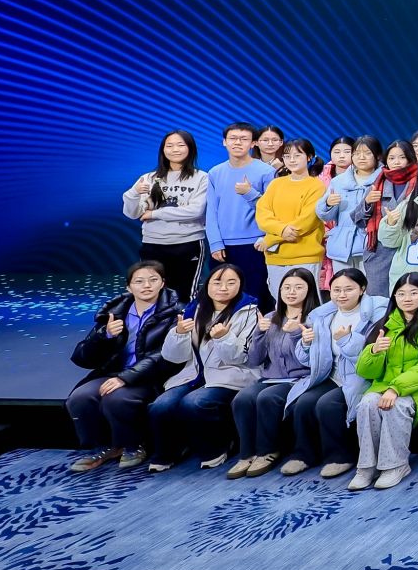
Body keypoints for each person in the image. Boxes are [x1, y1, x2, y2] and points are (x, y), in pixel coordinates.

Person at [66, 261, 189, 472]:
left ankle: (133, 445)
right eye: (139, 281)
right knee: (80, 397)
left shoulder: (177, 311)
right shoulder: (115, 312)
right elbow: (82, 358)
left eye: (153, 280)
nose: (146, 286)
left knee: (117, 398)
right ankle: (105, 447)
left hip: (152, 376)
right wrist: (104, 336)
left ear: (162, 283)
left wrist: (126, 378)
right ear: (129, 287)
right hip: (114, 373)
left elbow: (165, 356)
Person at [151, 260, 263, 472]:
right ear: (207, 284)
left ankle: (216, 448)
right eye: (217, 282)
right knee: (161, 406)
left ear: (240, 285)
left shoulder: (249, 312)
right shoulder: (194, 309)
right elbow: (174, 357)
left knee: (195, 402)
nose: (223, 288)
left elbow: (241, 357)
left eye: (231, 283)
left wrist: (224, 338)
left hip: (232, 375)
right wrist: (179, 334)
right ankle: (169, 452)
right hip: (194, 374)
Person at [350, 271, 418, 491]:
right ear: (394, 296)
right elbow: (365, 371)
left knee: (396, 406)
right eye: (401, 293)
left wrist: (396, 388)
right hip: (387, 385)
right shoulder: (387, 323)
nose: (407, 298)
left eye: (414, 293)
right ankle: (366, 467)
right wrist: (374, 351)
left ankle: (395, 465)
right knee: (367, 403)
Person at [286, 267, 386, 479]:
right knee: (303, 402)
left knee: (327, 404)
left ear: (362, 289)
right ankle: (304, 455)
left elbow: (367, 358)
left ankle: (340, 457)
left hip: (360, 375)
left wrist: (346, 339)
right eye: (336, 290)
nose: (342, 295)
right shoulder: (323, 316)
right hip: (331, 374)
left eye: (348, 289)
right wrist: (306, 344)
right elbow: (307, 360)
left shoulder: (376, 315)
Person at [227, 266, 315, 478]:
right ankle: (247, 454)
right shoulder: (270, 317)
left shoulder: (314, 319)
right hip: (269, 377)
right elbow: (254, 360)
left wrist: (295, 334)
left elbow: (310, 361)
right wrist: (259, 332)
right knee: (242, 399)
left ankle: (267, 451)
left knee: (267, 398)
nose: (291, 292)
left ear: (309, 290)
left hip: (299, 378)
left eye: (298, 287)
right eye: (287, 287)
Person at [122, 130, 209, 302]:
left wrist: (155, 214)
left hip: (188, 243)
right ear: (163, 150)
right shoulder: (148, 178)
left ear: (190, 148)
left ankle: (184, 320)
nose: (175, 149)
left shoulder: (202, 177)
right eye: (169, 145)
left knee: (185, 295)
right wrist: (134, 193)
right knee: (154, 295)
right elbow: (132, 213)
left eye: (180, 145)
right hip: (153, 243)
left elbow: (195, 211)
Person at [204, 123, 277, 310]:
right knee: (222, 299)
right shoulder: (215, 173)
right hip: (223, 247)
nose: (237, 143)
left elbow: (272, 211)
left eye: (244, 139)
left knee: (256, 297)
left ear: (253, 144)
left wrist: (250, 193)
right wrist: (215, 243)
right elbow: (211, 211)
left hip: (255, 244)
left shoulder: (266, 172)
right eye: (233, 138)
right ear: (224, 142)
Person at [254, 139, 327, 303]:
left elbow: (307, 221)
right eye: (287, 156)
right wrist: (281, 231)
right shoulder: (276, 184)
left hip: (305, 256)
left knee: (307, 303)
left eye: (297, 155)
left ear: (309, 157)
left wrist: (271, 239)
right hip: (275, 257)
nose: (292, 160)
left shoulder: (316, 186)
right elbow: (262, 214)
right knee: (281, 303)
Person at [358, 140, 417, 295]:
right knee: (379, 299)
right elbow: (358, 220)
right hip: (380, 251)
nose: (396, 162)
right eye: (391, 158)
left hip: (407, 248)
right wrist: (367, 202)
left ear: (410, 158)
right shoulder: (377, 183)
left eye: (402, 157)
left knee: (407, 296)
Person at [320, 137, 380, 278]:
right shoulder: (338, 181)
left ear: (377, 155)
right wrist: (328, 204)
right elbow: (325, 215)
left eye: (367, 153)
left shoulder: (383, 180)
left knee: (369, 287)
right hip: (342, 246)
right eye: (357, 153)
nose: (361, 157)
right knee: (343, 286)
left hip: (371, 246)